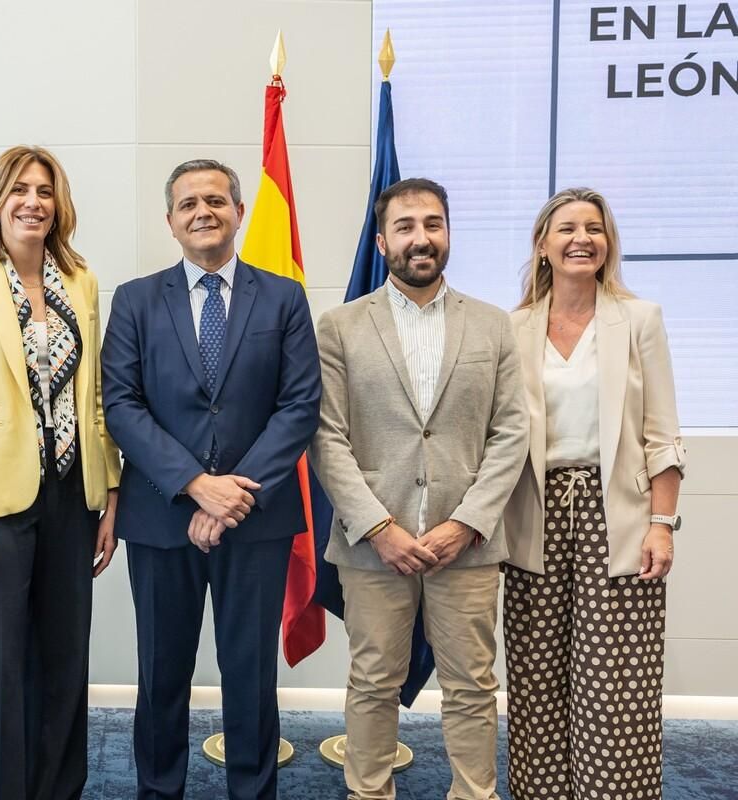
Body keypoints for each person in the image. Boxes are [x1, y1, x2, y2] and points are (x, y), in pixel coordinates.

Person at [101, 159, 320, 800]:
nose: (204, 211)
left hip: (257, 521)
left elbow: (299, 406)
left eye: (217, 200)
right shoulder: (136, 300)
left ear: (239, 212)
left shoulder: (282, 297)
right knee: (161, 674)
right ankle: (159, 791)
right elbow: (122, 405)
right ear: (170, 221)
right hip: (161, 516)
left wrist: (232, 495)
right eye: (189, 203)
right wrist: (197, 484)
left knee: (249, 677)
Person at [309, 178, 528, 800]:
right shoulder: (341, 327)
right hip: (374, 546)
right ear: (382, 242)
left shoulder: (492, 326)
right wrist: (379, 527)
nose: (421, 237)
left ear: (448, 234)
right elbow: (326, 437)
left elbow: (512, 432)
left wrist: (468, 522)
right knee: (374, 681)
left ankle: (473, 793)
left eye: (433, 224)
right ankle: (369, 791)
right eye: (405, 226)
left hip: (469, 545)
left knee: (472, 686)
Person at [0, 145, 121, 800]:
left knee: (66, 664)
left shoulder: (82, 282)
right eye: (19, 189)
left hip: (74, 495)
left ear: (57, 205)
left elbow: (93, 398)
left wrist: (110, 491)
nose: (32, 201)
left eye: (44, 190)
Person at [502, 188, 685, 800]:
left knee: (616, 679)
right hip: (534, 516)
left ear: (608, 244)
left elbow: (661, 434)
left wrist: (663, 523)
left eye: (595, 228)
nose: (582, 238)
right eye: (567, 228)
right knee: (536, 674)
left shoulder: (639, 319)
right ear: (543, 245)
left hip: (620, 519)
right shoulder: (512, 326)